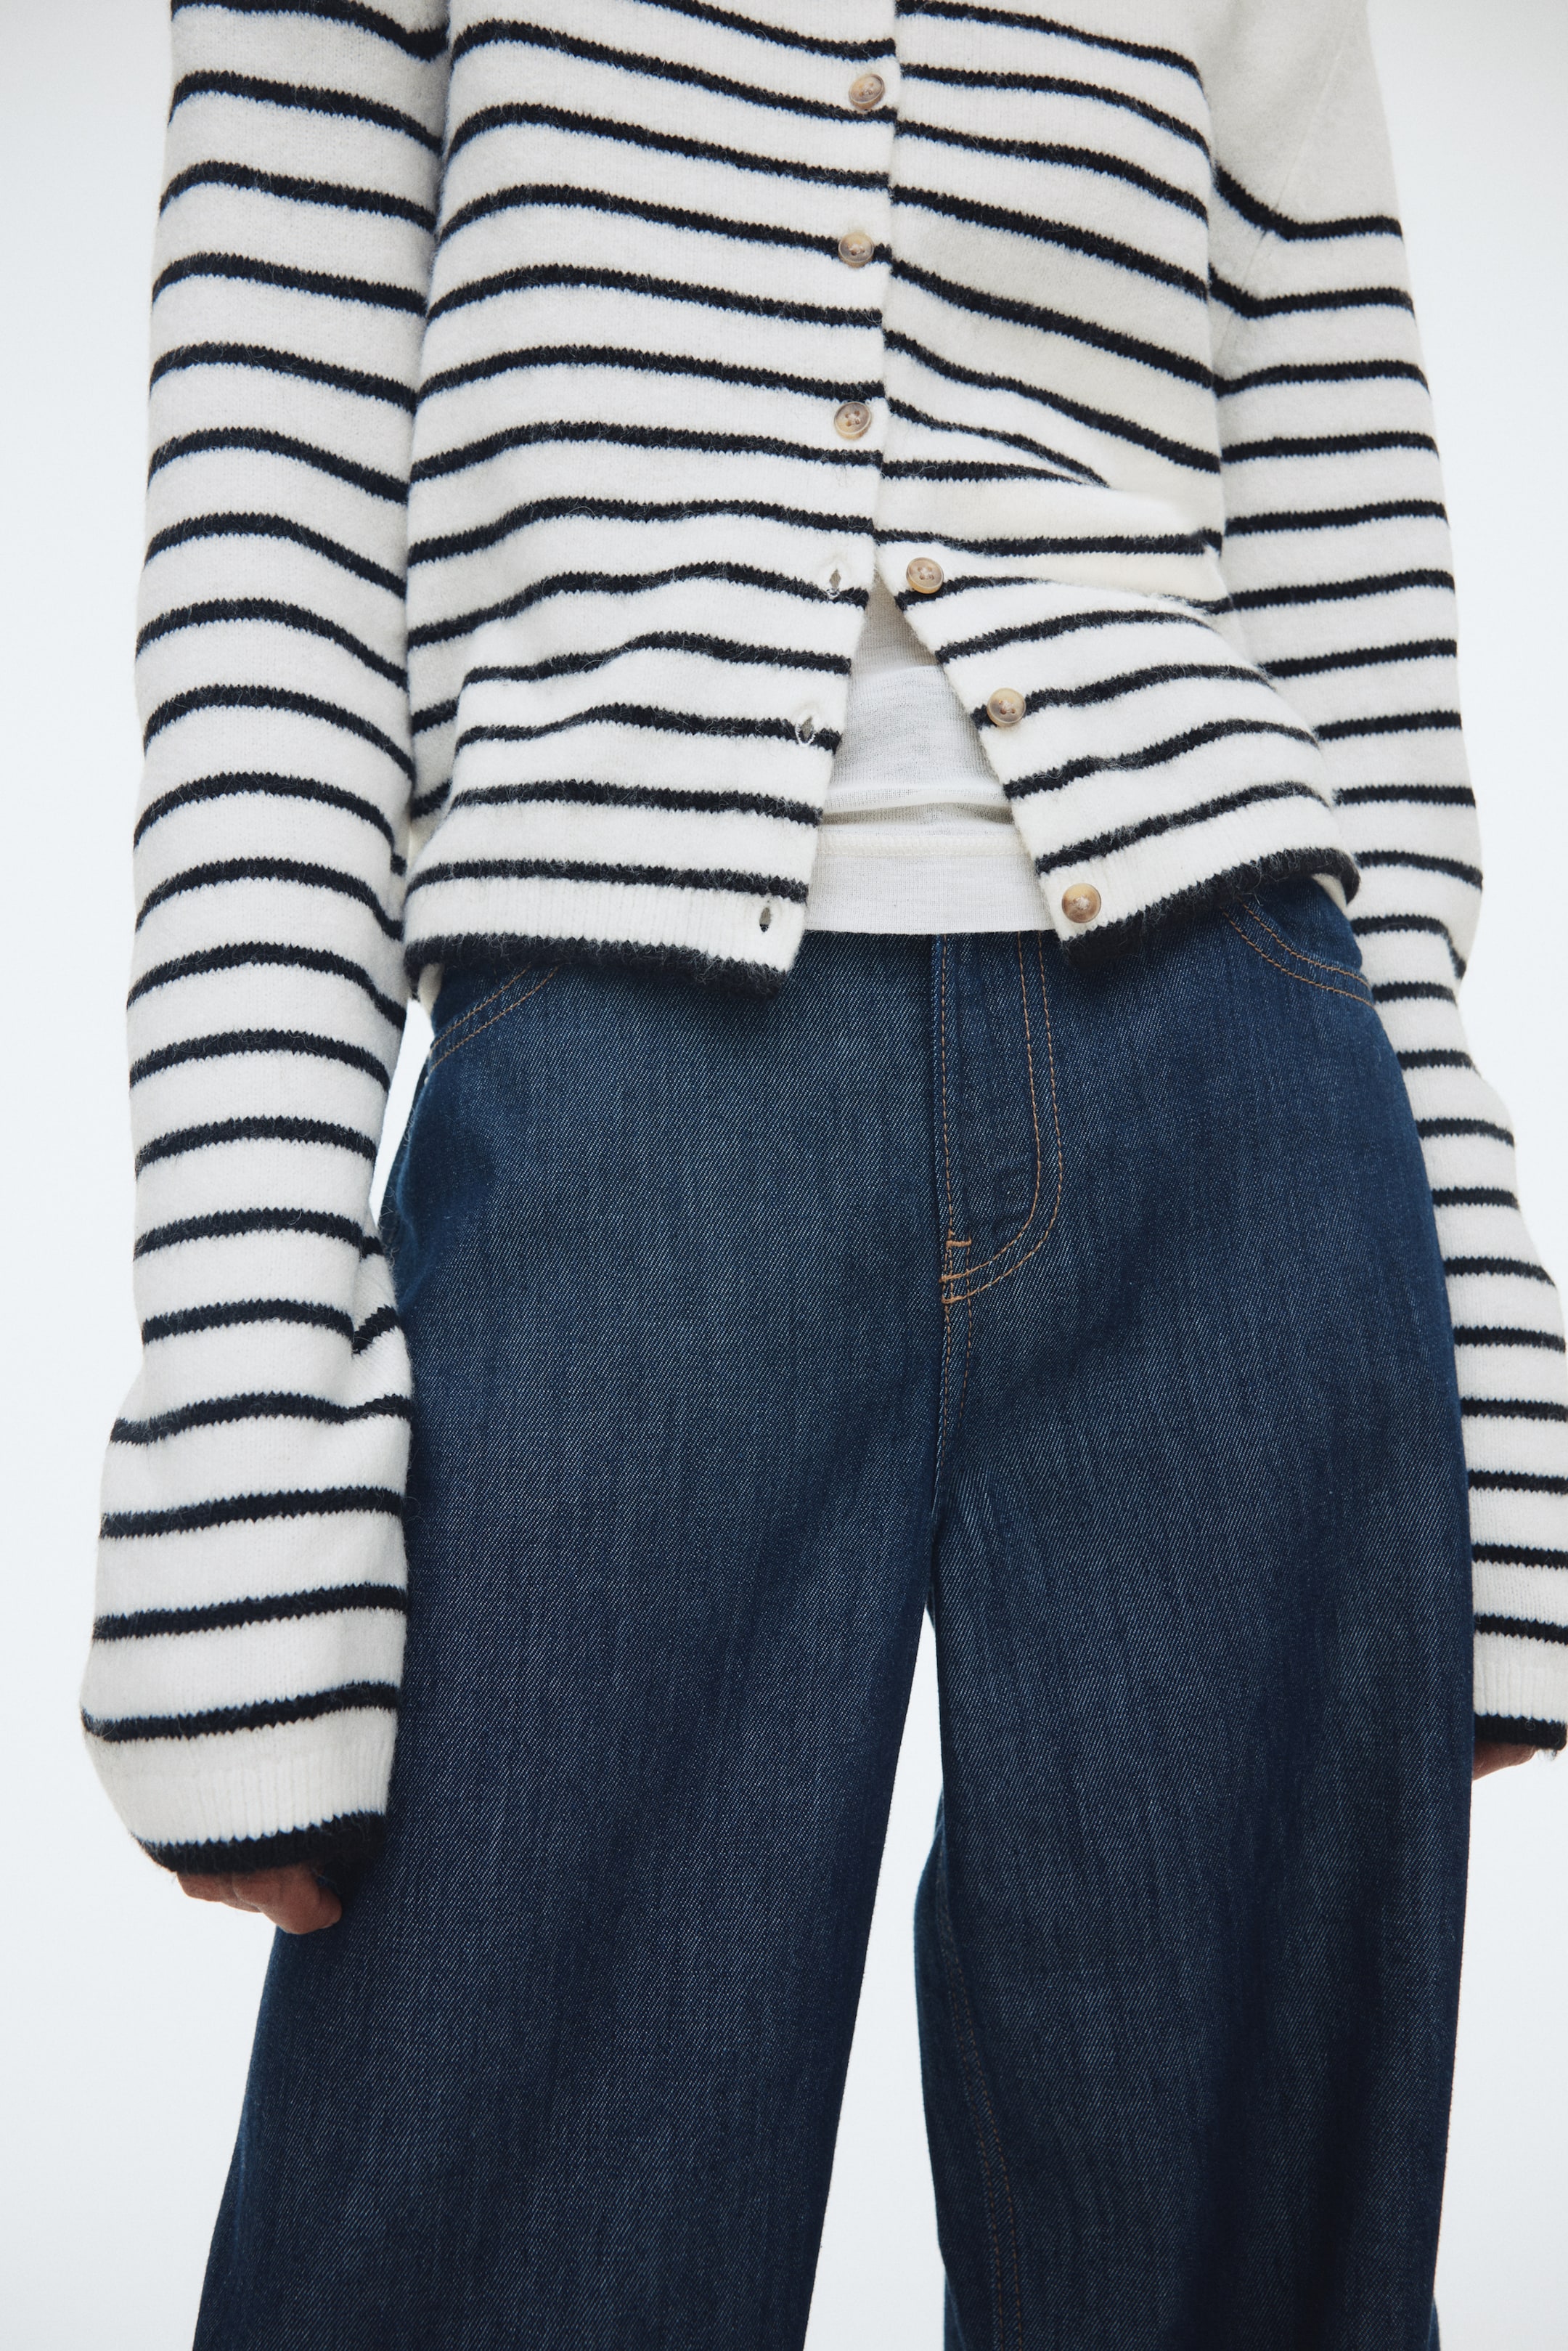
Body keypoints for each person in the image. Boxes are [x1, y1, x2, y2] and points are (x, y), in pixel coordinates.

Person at [83, 2, 1567, 2344]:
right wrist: (245, 1425)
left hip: (1241, 1101)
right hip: (625, 1123)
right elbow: (270, 570)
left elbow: (1349, 602)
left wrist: (1483, 1346)